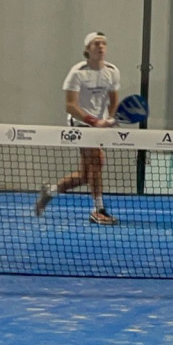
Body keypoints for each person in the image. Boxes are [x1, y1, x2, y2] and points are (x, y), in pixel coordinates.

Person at [34, 32, 120, 226]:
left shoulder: (112, 71)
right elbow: (71, 106)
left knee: (85, 175)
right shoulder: (77, 73)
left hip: (100, 126)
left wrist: (110, 119)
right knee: (97, 161)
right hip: (80, 124)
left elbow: (114, 100)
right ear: (88, 49)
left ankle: (50, 191)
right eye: (96, 44)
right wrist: (93, 121)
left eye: (103, 43)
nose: (101, 47)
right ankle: (98, 210)